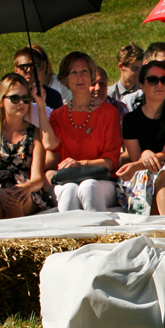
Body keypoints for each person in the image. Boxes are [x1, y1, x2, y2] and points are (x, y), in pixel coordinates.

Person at [47, 51, 123, 212]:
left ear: (91, 76)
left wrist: (80, 164)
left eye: (84, 71)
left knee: (88, 187)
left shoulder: (108, 113)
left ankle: (99, 236)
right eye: (74, 72)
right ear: (65, 79)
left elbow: (110, 161)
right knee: (69, 191)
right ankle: (71, 237)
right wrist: (40, 107)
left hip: (102, 180)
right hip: (67, 181)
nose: (80, 77)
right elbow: (51, 150)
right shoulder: (57, 116)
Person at [116, 60, 165, 216]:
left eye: (164, 80)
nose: (159, 84)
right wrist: (144, 156)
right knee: (153, 176)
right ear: (142, 85)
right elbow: (135, 156)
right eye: (153, 80)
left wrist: (143, 158)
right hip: (141, 171)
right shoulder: (131, 119)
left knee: (163, 172)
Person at [0, 74, 55, 220]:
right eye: (14, 98)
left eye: (25, 99)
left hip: (26, 188)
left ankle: (15, 241)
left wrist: (27, 187)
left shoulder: (35, 133)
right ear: (1, 101)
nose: (21, 103)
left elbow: (37, 177)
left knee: (15, 202)